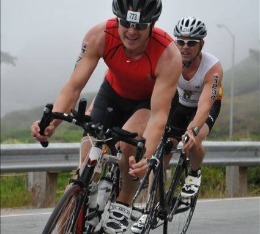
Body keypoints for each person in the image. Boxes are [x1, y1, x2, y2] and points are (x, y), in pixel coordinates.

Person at [30, 0, 182, 233]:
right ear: (117, 19)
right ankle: (79, 205)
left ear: (152, 25)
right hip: (112, 93)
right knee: (89, 152)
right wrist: (52, 123)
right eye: (125, 23)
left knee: (129, 144)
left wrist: (148, 157)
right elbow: (73, 87)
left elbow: (159, 116)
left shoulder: (168, 54)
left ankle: (123, 202)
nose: (131, 32)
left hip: (148, 102)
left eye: (140, 26)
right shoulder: (99, 35)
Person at [131, 16, 224, 233]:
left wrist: (193, 129)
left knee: (193, 140)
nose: (185, 47)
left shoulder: (213, 68)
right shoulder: (170, 59)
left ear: (201, 44)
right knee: (162, 150)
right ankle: (150, 209)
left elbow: (205, 104)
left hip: (205, 106)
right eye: (180, 41)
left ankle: (194, 172)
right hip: (181, 103)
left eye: (191, 42)